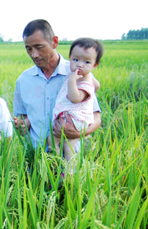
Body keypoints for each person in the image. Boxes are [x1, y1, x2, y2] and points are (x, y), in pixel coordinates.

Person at [13, 19, 101, 151]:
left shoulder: (78, 73)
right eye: (29, 49)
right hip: (37, 158)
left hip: (71, 158)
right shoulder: (24, 80)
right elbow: (23, 115)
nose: (34, 54)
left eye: (39, 47)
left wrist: (77, 133)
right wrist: (25, 123)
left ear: (54, 42)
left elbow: (96, 117)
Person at [47, 38, 104, 161]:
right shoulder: (89, 78)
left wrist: (72, 80)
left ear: (95, 65)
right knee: (63, 145)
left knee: (58, 143)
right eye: (75, 60)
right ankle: (64, 168)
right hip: (75, 118)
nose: (79, 65)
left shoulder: (83, 83)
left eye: (87, 62)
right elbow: (97, 86)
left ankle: (60, 166)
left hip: (75, 119)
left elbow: (75, 98)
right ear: (70, 58)